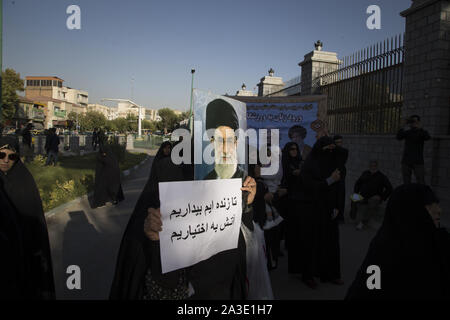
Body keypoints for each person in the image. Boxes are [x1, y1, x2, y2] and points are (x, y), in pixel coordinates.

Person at [110, 138, 258, 300]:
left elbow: (245, 249)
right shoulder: (167, 181)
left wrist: (246, 207)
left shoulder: (228, 187)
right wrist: (156, 241)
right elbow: (162, 284)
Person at [346, 184, 450, 299]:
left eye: (436, 204)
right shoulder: (385, 250)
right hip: (363, 197)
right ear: (410, 211)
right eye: (429, 205)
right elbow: (368, 290)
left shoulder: (440, 241)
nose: (438, 210)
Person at [0, 136, 55, 299]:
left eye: (12, 156)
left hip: (22, 255)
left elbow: (35, 225)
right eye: (1, 155)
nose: (6, 160)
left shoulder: (24, 181)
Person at [301, 136, 344, 286]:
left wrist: (338, 206)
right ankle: (309, 275)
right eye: (328, 149)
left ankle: (331, 274)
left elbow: (339, 186)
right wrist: (329, 181)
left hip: (330, 208)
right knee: (312, 242)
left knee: (331, 242)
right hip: (313, 208)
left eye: (333, 149)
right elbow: (308, 186)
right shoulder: (310, 164)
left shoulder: (334, 163)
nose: (330, 152)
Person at [203, 99, 245, 180]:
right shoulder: (207, 181)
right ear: (212, 142)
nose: (225, 150)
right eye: (219, 141)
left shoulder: (245, 181)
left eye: (229, 141)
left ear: (235, 143)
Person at [353, 160, 393, 230]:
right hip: (363, 196)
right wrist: (356, 193)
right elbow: (358, 183)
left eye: (374, 166)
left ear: (377, 166)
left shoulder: (381, 176)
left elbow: (389, 188)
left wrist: (381, 197)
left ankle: (363, 222)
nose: (372, 167)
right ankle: (353, 216)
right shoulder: (365, 173)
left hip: (373, 197)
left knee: (372, 202)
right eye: (371, 165)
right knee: (353, 197)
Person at [396, 115, 431, 184]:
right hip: (406, 161)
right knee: (406, 182)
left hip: (418, 161)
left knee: (421, 181)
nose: (414, 123)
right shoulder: (408, 132)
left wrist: (421, 128)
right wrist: (402, 125)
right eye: (412, 121)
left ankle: (421, 194)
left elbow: (427, 137)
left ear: (418, 122)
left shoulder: (421, 132)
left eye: (415, 121)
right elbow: (398, 137)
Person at [92, 143, 124, 208]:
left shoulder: (110, 156)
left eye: (104, 152)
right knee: (104, 188)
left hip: (113, 176)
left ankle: (114, 199)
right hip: (106, 176)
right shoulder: (102, 156)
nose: (104, 154)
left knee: (113, 188)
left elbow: (110, 164)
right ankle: (102, 202)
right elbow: (100, 166)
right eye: (102, 152)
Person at [333, 135, 348, 223]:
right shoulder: (331, 152)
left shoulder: (344, 151)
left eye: (340, 142)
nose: (339, 144)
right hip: (332, 176)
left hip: (341, 175)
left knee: (341, 196)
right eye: (337, 142)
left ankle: (340, 216)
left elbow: (343, 154)